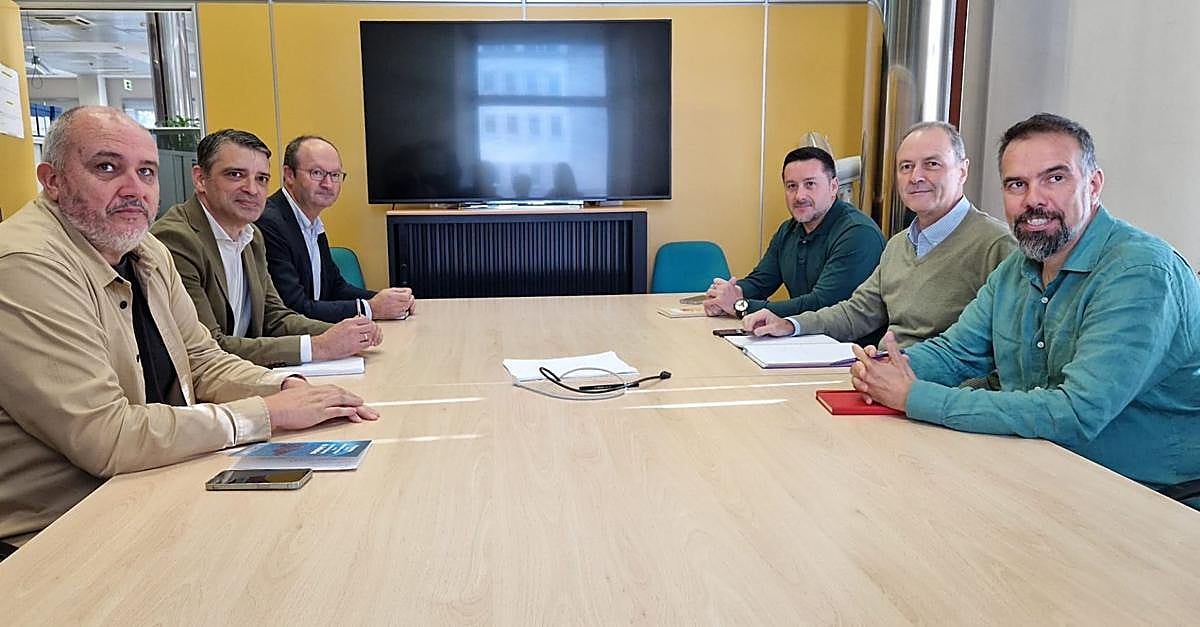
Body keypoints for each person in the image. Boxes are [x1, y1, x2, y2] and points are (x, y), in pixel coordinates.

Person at [0, 107, 378, 549]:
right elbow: (106, 437)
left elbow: (202, 359)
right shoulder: (27, 265)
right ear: (52, 180)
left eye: (146, 172)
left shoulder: (146, 251)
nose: (133, 189)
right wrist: (266, 414)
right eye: (107, 168)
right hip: (58, 533)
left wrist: (287, 388)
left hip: (150, 485)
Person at [850, 113, 1200, 504]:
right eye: (1017, 184)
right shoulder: (1017, 268)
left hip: (1145, 498)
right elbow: (957, 352)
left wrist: (914, 396)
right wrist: (884, 370)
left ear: (1094, 185)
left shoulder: (1140, 272)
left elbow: (1074, 412)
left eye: (1055, 178)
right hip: (1036, 469)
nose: (1033, 200)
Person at [742, 122, 1015, 347]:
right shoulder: (900, 244)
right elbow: (857, 312)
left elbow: (1001, 355)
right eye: (906, 166)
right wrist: (791, 325)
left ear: (963, 170)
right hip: (883, 376)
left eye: (932, 164)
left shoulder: (996, 246)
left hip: (932, 392)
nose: (916, 176)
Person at [152, 129, 382, 368]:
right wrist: (319, 346)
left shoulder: (252, 236)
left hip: (241, 373)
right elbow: (209, 348)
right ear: (200, 179)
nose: (252, 189)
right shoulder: (177, 239)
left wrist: (349, 333)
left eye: (261, 178)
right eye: (235, 175)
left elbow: (275, 317)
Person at [705, 147, 884, 337]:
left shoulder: (858, 234)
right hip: (802, 341)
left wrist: (741, 305)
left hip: (849, 351)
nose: (799, 196)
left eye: (810, 184)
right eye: (791, 186)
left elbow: (821, 304)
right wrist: (726, 295)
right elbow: (761, 282)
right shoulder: (788, 230)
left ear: (833, 187)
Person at [257, 135, 415, 323]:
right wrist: (371, 308)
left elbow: (334, 288)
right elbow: (292, 307)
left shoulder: (311, 220)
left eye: (335, 175)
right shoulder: (269, 223)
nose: (328, 184)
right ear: (289, 175)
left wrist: (390, 300)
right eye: (317, 173)